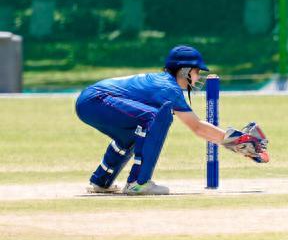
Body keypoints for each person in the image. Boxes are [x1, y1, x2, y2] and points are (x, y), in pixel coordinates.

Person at [75, 45, 269, 195]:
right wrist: (238, 140)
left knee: (133, 134)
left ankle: (101, 181)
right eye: (196, 71)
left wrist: (234, 141)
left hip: (90, 102)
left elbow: (197, 126)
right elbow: (197, 127)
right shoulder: (168, 88)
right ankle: (139, 183)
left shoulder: (164, 83)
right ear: (185, 70)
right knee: (156, 117)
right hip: (96, 101)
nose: (198, 77)